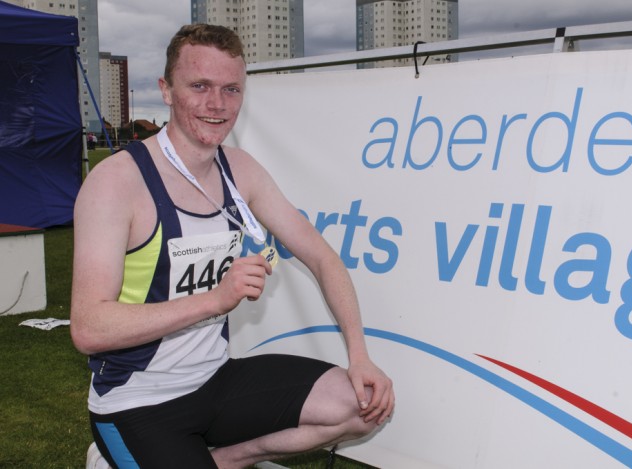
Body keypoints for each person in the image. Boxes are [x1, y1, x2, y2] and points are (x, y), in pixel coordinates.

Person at [70, 24, 394, 469]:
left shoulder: (241, 171)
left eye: (231, 89)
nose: (216, 104)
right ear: (166, 90)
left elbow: (321, 255)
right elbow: (88, 327)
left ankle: (225, 460)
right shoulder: (116, 183)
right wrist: (215, 300)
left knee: (358, 404)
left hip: (213, 380)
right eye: (199, 86)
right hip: (136, 402)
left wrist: (360, 357)